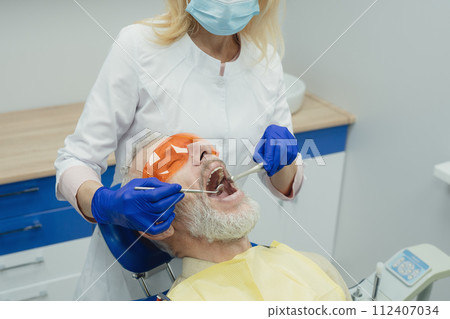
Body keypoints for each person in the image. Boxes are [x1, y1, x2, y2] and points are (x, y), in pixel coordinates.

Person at [56, 0, 304, 300]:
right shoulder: (139, 46)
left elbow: (285, 184)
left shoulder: (265, 62)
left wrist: (285, 160)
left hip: (220, 274)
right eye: (174, 156)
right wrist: (104, 203)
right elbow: (77, 159)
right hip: (130, 279)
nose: (207, 152)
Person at [128, 133, 350, 300]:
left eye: (200, 145)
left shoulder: (316, 265)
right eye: (172, 161)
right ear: (158, 222)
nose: (205, 148)